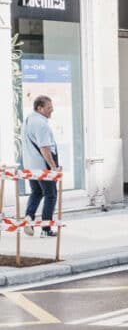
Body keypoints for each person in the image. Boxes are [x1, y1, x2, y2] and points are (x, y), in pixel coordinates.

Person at [20, 95, 60, 237]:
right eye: (49, 108)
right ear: (40, 108)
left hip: (30, 165)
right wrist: (53, 167)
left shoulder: (28, 120)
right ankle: (46, 229)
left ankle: (28, 217)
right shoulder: (41, 124)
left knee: (36, 192)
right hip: (43, 166)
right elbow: (44, 148)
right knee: (51, 195)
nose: (52, 110)